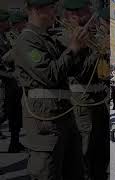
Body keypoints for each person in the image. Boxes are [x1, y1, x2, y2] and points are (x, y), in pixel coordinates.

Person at [12, 0, 87, 179]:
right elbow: (49, 75)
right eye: (52, 8)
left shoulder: (48, 37)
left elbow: (72, 72)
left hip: (62, 113)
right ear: (37, 10)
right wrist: (72, 49)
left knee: (74, 170)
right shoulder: (27, 39)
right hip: (44, 119)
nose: (56, 12)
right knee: (47, 172)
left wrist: (81, 48)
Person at [60, 1, 108, 179]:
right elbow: (80, 72)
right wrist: (99, 49)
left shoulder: (92, 34)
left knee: (101, 147)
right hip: (82, 100)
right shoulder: (67, 37)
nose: (90, 15)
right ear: (73, 15)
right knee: (86, 147)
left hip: (98, 97)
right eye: (86, 11)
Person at [2, 11, 28, 153]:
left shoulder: (16, 35)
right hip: (8, 80)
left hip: (16, 80)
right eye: (23, 22)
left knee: (15, 113)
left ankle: (14, 142)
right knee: (5, 113)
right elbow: (8, 57)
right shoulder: (10, 36)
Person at [0, 9, 10, 140]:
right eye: (6, 21)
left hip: (6, 78)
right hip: (2, 78)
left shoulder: (4, 36)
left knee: (7, 110)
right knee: (2, 110)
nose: (9, 23)